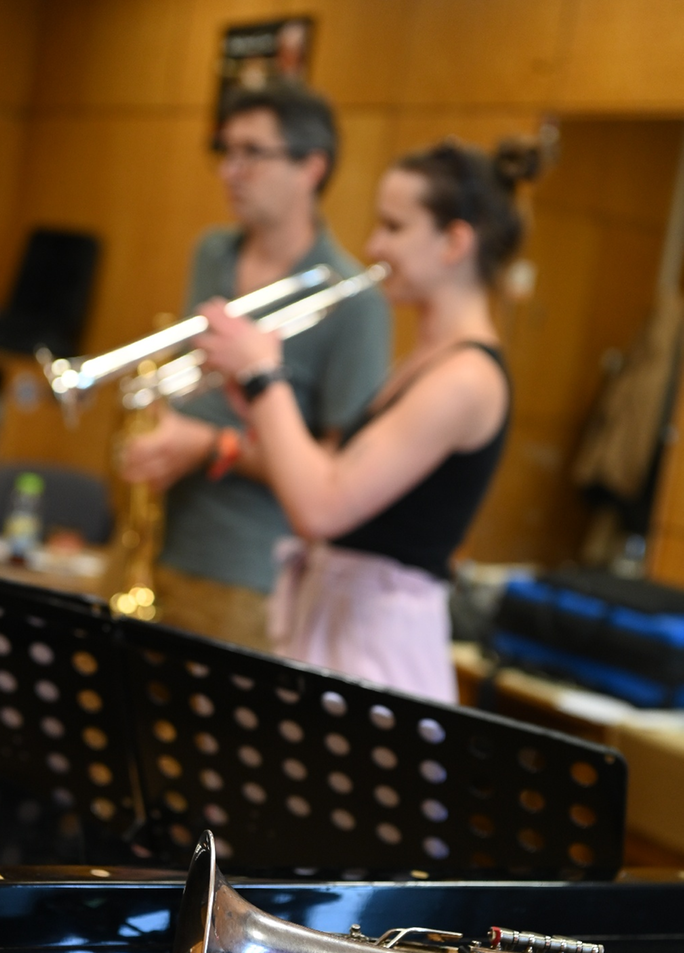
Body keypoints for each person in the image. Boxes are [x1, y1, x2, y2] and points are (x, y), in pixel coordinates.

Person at [180, 138, 544, 701]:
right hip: (339, 633)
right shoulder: (425, 360)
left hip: (378, 658)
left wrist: (264, 377)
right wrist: (255, 403)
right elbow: (331, 475)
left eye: (394, 227)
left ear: (455, 242)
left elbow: (321, 508)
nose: (374, 245)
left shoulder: (468, 378)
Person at [123, 85, 390, 647]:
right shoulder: (212, 252)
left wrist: (210, 446)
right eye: (226, 151)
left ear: (311, 168)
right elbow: (193, 382)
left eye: (252, 153)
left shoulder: (353, 301)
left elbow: (338, 477)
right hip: (158, 544)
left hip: (248, 575)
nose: (230, 171)